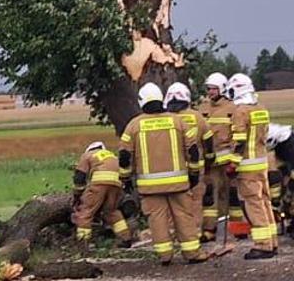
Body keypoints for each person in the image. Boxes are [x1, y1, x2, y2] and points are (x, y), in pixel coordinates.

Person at [119, 83, 209, 265]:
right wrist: (193, 174)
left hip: (149, 186)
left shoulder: (134, 126)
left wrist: (126, 179)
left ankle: (165, 256)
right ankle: (192, 253)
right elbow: (193, 150)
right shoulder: (178, 121)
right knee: (184, 216)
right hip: (179, 184)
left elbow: (124, 156)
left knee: (157, 220)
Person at [227, 73, 279, 259]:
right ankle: (272, 241)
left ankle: (263, 245)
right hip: (261, 163)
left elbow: (239, 141)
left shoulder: (240, 112)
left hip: (247, 166)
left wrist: (233, 162)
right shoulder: (260, 109)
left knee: (253, 204)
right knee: (265, 201)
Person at [71, 142, 135, 245]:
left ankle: (83, 243)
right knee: (111, 211)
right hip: (116, 184)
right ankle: (126, 238)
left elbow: (79, 177)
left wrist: (77, 195)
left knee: (86, 212)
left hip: (99, 183)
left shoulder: (87, 155)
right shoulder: (111, 155)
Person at [199, 73, 238, 240]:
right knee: (209, 196)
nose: (210, 92)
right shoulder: (203, 109)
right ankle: (209, 230)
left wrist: (235, 159)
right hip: (211, 162)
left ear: (222, 89)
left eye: (214, 89)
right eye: (208, 89)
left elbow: (238, 135)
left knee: (232, 195)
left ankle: (239, 228)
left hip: (229, 161)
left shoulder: (233, 109)